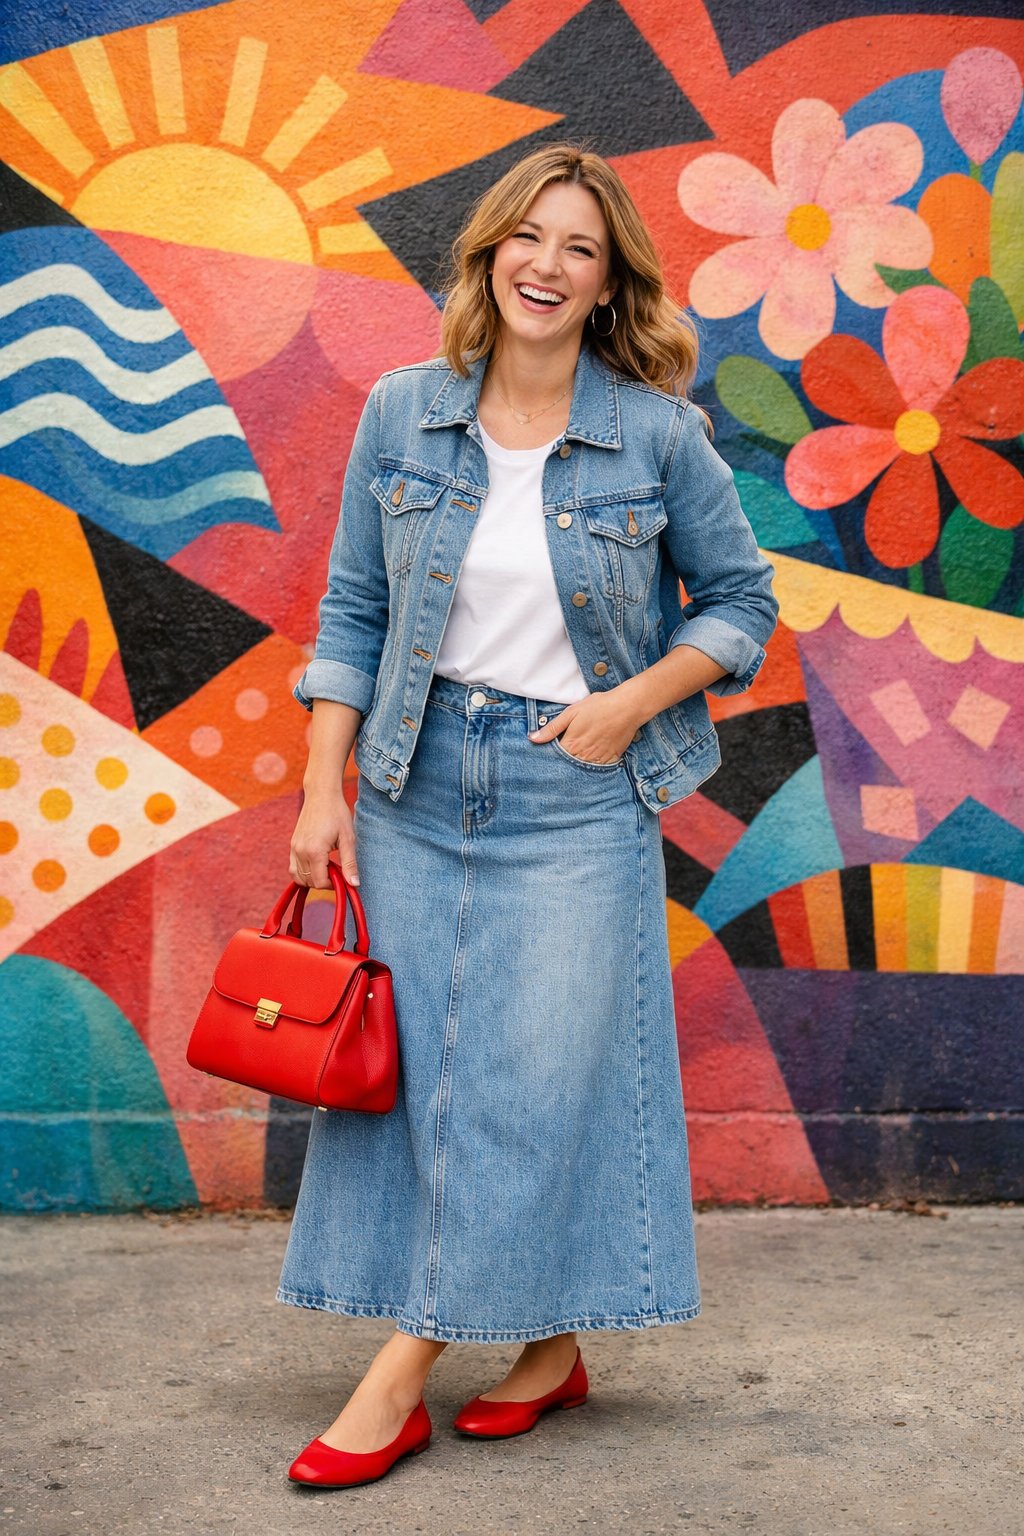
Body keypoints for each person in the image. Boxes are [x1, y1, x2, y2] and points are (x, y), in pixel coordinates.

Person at [280, 139, 779, 1489]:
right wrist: (322, 791)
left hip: (575, 790)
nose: (547, 267)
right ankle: (551, 1349)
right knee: (436, 1086)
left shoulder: (655, 435)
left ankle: (402, 1367)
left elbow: (742, 608)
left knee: (525, 1088)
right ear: (489, 252)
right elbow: (355, 610)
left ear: (609, 284)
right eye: (528, 239)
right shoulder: (402, 410)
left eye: (581, 249)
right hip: (414, 779)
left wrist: (632, 704)